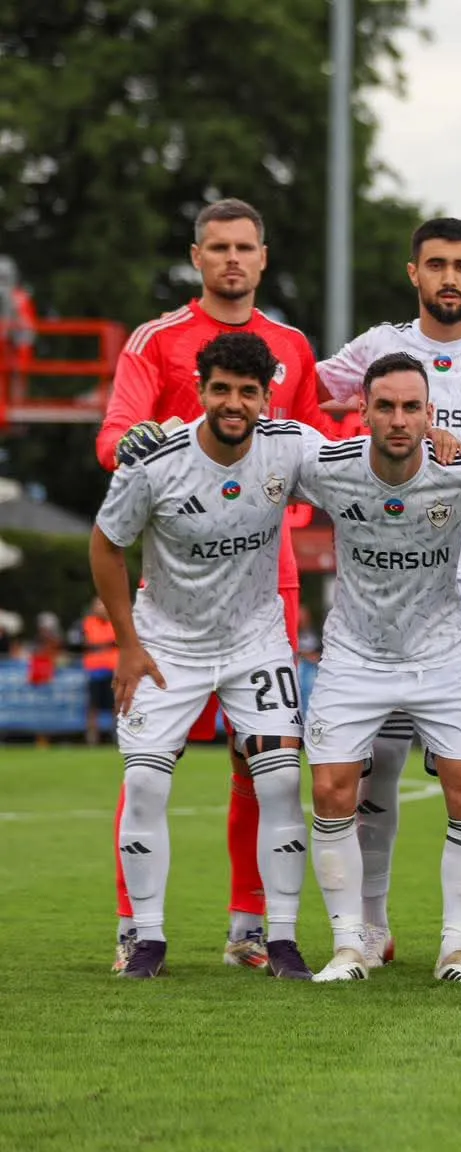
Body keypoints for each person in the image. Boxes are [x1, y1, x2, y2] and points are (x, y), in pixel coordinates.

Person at [316, 217, 461, 970]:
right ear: (413, 273)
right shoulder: (377, 348)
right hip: (388, 590)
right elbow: (301, 391)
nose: (449, 277)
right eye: (436, 264)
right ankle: (371, 923)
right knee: (378, 765)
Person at [97, 198, 328, 973]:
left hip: (267, 578)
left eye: (245, 247)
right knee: (149, 761)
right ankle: (135, 927)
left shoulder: (292, 346)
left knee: (260, 762)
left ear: (263, 257)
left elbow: (316, 442)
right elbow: (116, 436)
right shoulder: (156, 340)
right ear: (197, 257)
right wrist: (132, 448)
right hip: (178, 577)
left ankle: (251, 927)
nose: (232, 259)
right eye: (218, 247)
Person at [297, 352, 461, 984]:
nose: (399, 419)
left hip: (442, 655)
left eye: (411, 407)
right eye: (386, 406)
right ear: (363, 411)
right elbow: (257, 453)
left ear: (430, 414)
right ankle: (349, 947)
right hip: (354, 655)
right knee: (331, 791)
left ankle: (455, 951)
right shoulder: (328, 468)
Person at [81, 597, 119, 746]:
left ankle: (118, 736)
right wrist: (108, 644)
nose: (100, 608)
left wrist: (100, 645)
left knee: (116, 705)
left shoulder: (117, 622)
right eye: (97, 605)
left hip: (114, 671)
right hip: (95, 671)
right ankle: (92, 739)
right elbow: (85, 643)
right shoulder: (88, 623)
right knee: (93, 707)